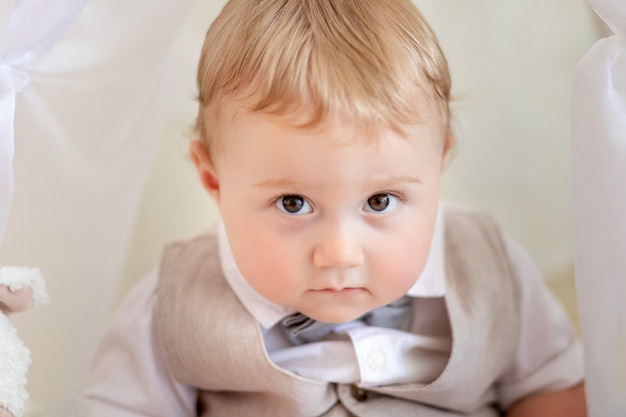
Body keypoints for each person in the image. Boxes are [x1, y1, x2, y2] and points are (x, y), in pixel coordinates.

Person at [76, 0, 586, 415]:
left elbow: (553, 389)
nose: (340, 254)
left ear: (440, 162)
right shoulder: (172, 302)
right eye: (293, 203)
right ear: (214, 179)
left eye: (380, 201)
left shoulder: (490, 267)